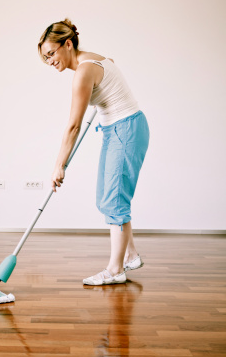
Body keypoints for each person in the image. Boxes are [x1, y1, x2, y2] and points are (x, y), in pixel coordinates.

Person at [38, 18, 150, 286]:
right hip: (118, 128)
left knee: (115, 199)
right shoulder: (93, 59)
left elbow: (73, 126)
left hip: (126, 130)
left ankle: (115, 270)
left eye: (51, 53)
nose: (50, 61)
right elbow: (109, 64)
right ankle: (130, 255)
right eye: (45, 58)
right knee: (106, 197)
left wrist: (58, 165)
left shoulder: (83, 72)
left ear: (68, 44)